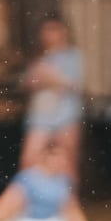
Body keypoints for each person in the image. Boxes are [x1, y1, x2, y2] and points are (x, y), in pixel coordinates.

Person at [19, 17, 85, 173]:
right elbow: (27, 82)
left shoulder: (73, 56)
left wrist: (48, 77)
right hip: (41, 116)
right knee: (30, 159)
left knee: (67, 161)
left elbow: (73, 84)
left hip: (66, 116)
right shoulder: (38, 56)